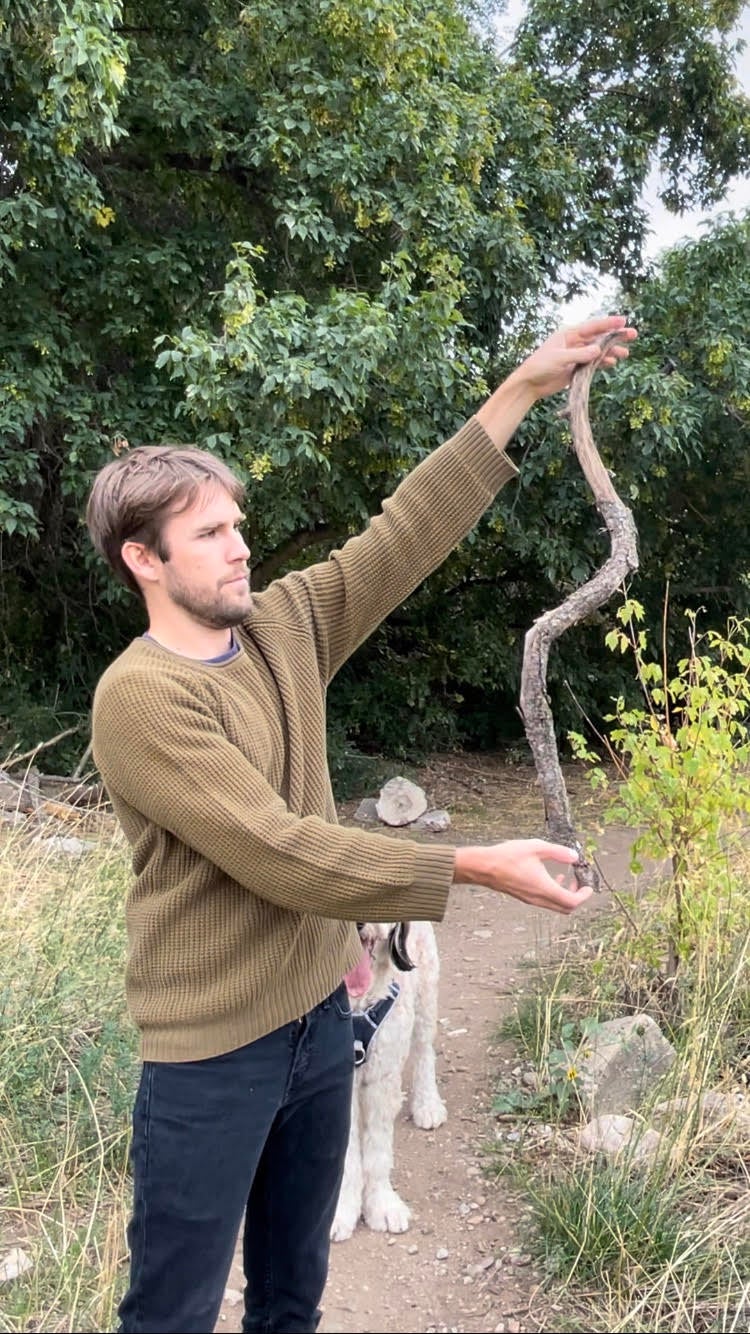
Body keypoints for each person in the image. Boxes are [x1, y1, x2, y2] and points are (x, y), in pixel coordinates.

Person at [86, 315, 636, 1334]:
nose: (240, 544)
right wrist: (468, 863)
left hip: (318, 1021)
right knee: (172, 1308)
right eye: (209, 533)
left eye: (237, 523)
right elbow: (281, 850)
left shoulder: (282, 623)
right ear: (143, 559)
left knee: (292, 1298)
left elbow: (402, 534)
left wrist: (522, 383)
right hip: (211, 1054)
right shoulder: (142, 697)